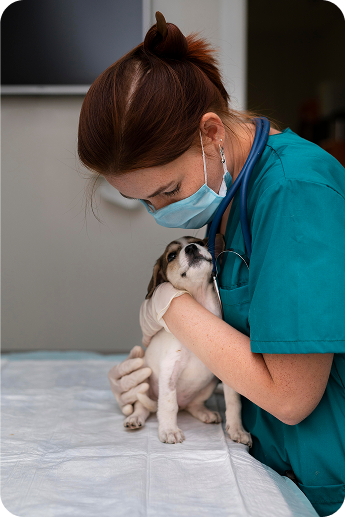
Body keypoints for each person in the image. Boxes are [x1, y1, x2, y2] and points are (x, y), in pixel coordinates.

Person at [77, 12, 346, 517]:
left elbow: (290, 397)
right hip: (276, 462)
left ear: (211, 132)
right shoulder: (230, 201)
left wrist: (170, 305)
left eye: (167, 191)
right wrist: (161, 378)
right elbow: (243, 346)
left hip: (332, 479)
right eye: (144, 203)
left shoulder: (294, 194)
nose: (160, 214)